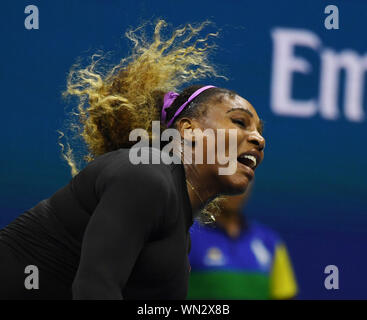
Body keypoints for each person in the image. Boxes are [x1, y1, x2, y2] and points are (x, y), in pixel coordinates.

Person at [0, 20, 265, 300]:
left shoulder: (178, 238)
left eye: (260, 132)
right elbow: (93, 289)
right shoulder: (145, 176)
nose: (259, 140)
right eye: (240, 122)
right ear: (189, 130)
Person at [188, 190, 297, 300]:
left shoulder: (270, 241)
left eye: (247, 179)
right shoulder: (187, 235)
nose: (237, 189)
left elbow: (284, 295)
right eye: (230, 175)